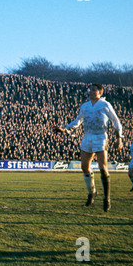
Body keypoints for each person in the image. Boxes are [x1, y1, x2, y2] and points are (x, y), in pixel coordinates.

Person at [54, 83, 123, 212]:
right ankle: (92, 192)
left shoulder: (105, 105)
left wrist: (119, 138)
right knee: (84, 167)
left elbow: (116, 121)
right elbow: (78, 121)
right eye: (90, 90)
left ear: (100, 93)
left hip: (100, 136)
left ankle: (106, 198)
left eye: (94, 90)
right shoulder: (85, 106)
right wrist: (64, 129)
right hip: (87, 136)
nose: (91, 91)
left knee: (103, 168)